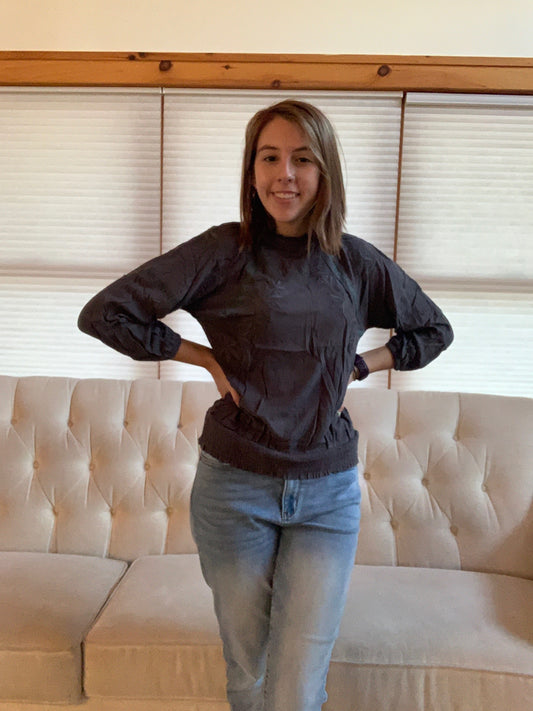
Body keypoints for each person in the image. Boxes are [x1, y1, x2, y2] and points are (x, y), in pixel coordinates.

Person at [78, 99, 453, 711]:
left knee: (296, 689)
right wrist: (202, 358)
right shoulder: (224, 252)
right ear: (251, 170)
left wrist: (360, 364)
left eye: (302, 159)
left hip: (326, 494)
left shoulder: (355, 263)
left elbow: (433, 331)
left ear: (325, 171)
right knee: (250, 676)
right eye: (270, 158)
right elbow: (106, 313)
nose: (285, 174)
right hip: (234, 488)